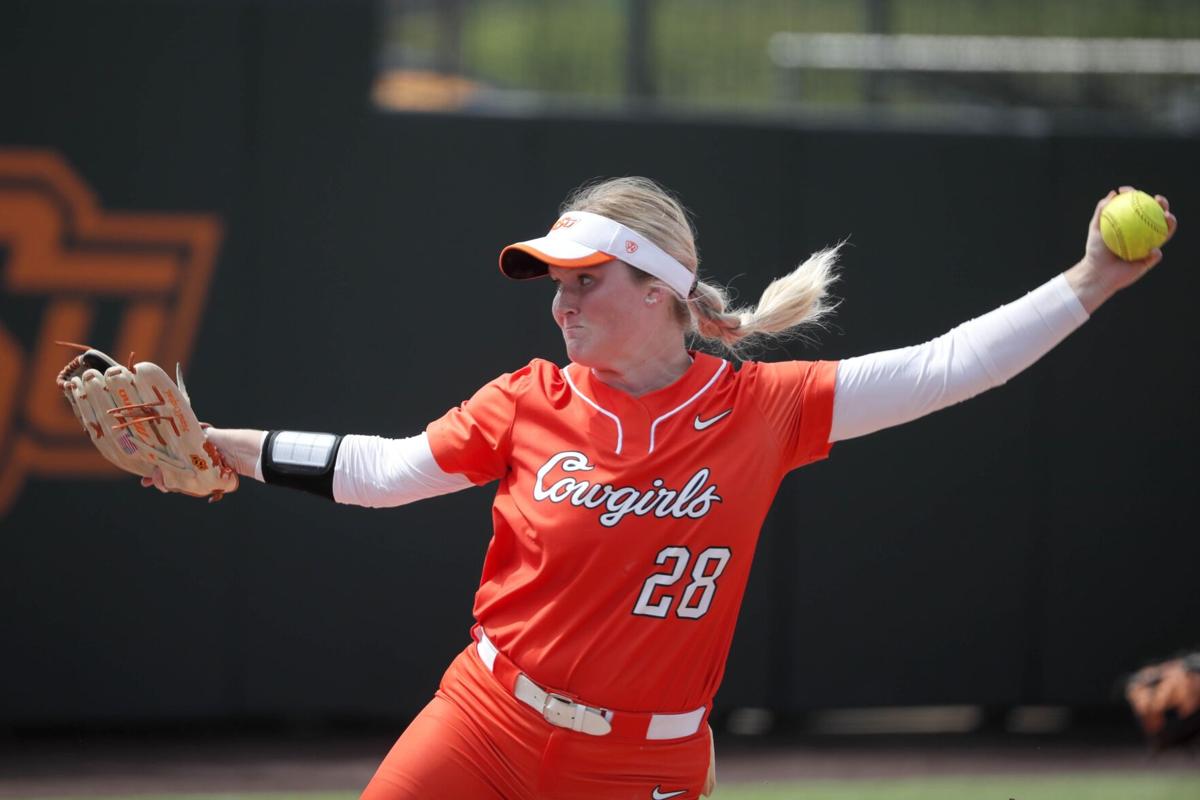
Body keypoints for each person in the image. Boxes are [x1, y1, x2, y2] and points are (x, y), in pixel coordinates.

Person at [146, 178, 1175, 799]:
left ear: (658, 289)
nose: (562, 302)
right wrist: (222, 444)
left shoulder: (763, 409)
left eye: (583, 277)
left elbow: (953, 365)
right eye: (554, 281)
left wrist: (1090, 281)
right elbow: (384, 473)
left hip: (638, 760)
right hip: (486, 718)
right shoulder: (527, 399)